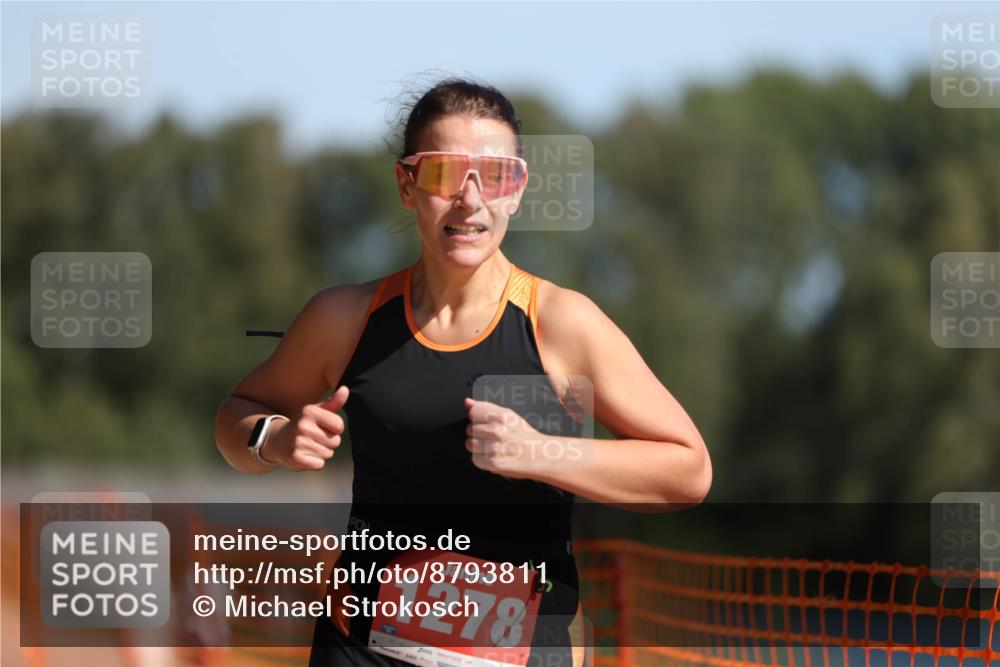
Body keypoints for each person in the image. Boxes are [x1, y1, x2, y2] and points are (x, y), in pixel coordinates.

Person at [215, 78, 712, 667]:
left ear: (517, 191)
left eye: (495, 175)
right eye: (444, 173)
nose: (470, 200)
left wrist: (542, 453)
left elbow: (689, 470)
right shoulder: (344, 318)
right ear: (407, 185)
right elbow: (236, 418)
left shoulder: (562, 323)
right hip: (359, 647)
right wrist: (273, 439)